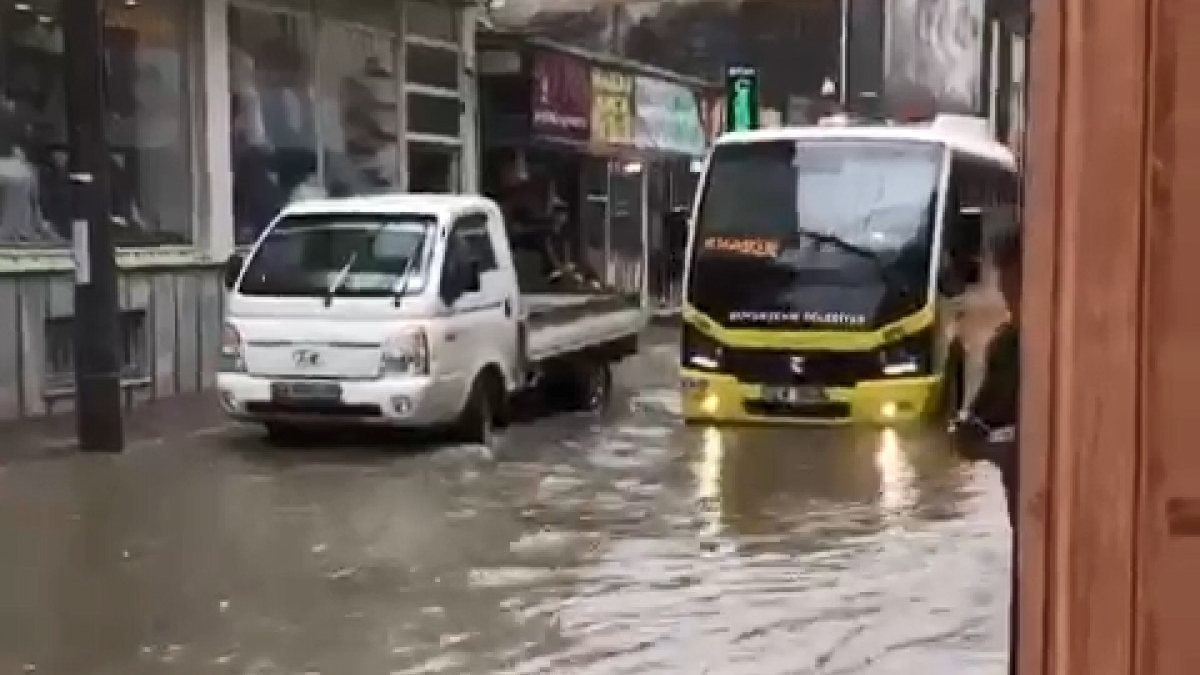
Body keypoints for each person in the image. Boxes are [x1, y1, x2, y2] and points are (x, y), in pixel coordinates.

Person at [949, 211, 1021, 674]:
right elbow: (971, 433)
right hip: (1030, 521)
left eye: (1010, 275)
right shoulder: (1008, 344)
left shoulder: (1018, 342)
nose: (1007, 289)